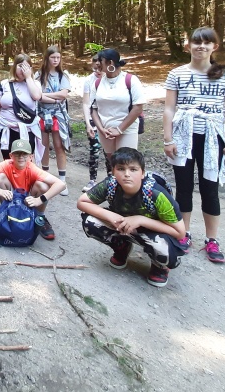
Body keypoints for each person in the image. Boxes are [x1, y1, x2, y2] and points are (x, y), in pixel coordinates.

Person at [163, 26, 225, 264]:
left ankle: (212, 239)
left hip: (212, 137)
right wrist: (168, 139)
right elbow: (169, 108)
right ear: (188, 45)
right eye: (197, 42)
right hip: (183, 136)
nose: (201, 47)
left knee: (210, 189)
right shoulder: (176, 74)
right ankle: (183, 233)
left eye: (207, 43)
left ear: (214, 46)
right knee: (183, 188)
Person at [77, 148, 186, 288]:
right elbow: (82, 202)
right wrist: (111, 215)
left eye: (133, 169)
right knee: (90, 222)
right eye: (121, 169)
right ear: (113, 171)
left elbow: (180, 232)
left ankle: (159, 266)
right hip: (123, 225)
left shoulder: (156, 194)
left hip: (154, 231)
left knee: (164, 250)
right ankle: (122, 247)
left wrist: (141, 219)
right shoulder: (111, 185)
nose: (127, 174)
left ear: (142, 173)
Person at [0, 139, 65, 240]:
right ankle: (6, 211)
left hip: (29, 199)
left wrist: (39, 200)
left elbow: (61, 184)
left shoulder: (32, 169)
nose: (21, 157)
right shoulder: (7, 164)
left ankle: (39, 217)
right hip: (11, 197)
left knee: (43, 186)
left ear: (31, 157)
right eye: (17, 154)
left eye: (24, 154)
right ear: (11, 156)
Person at [90, 48, 146, 168]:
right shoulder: (97, 83)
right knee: (113, 164)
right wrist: (101, 129)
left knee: (126, 163)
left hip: (127, 129)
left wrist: (119, 130)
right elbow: (93, 108)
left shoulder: (131, 80)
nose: (97, 63)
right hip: (105, 131)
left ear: (110, 63)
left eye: (100, 60)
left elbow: (138, 107)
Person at [0, 53, 43, 161]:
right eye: (20, 66)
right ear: (14, 67)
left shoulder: (35, 83)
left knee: (25, 163)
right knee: (8, 161)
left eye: (26, 66)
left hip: (28, 130)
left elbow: (37, 96)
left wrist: (28, 78)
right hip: (7, 129)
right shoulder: (3, 85)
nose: (23, 69)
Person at [35, 46, 71, 196]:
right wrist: (54, 98)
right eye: (53, 57)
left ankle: (62, 181)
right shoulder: (39, 75)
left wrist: (46, 96)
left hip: (58, 115)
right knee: (43, 146)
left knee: (59, 146)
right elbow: (36, 95)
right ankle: (45, 178)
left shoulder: (63, 75)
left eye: (58, 57)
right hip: (42, 114)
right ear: (47, 58)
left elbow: (64, 95)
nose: (56, 60)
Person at [82, 52, 108, 189]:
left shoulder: (110, 79)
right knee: (94, 149)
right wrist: (87, 123)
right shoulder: (89, 80)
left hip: (108, 118)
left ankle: (112, 179)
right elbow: (86, 103)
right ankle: (92, 180)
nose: (97, 71)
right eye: (95, 68)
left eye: (100, 68)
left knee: (109, 151)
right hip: (93, 117)